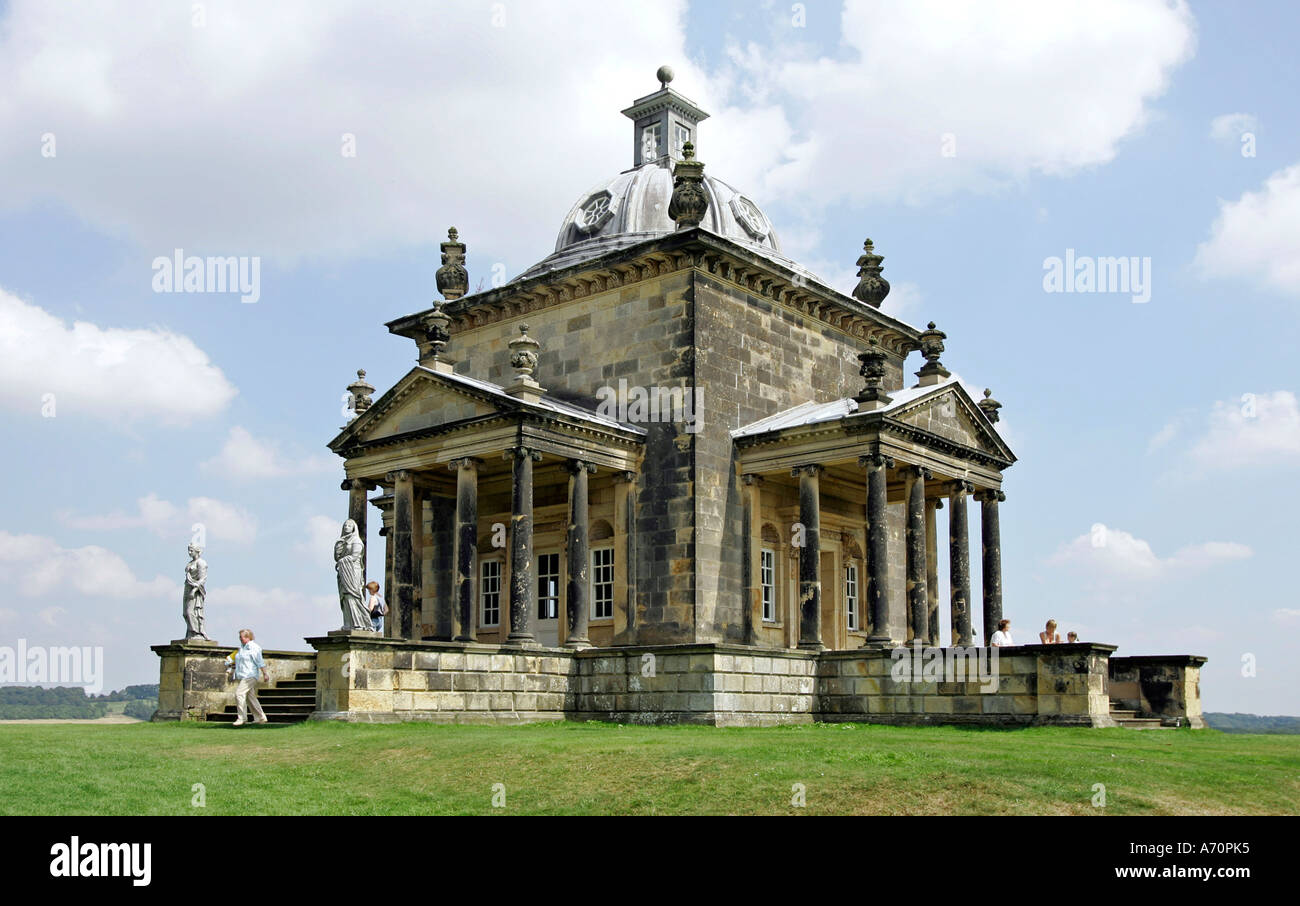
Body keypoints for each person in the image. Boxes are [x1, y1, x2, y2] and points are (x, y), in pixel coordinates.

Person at [228, 628, 269, 726]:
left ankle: (242, 718)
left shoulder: (254, 647)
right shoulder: (242, 648)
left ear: (248, 637)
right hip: (243, 675)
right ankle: (260, 717)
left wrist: (265, 673)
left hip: (250, 675)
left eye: (241, 637)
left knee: (239, 694)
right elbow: (239, 662)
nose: (240, 639)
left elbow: (260, 662)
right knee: (250, 697)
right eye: (240, 637)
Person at [335, 519, 371, 631]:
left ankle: (360, 623)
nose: (346, 527)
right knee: (344, 596)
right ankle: (348, 623)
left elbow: (355, 556)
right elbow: (337, 557)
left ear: (353, 528)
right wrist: (338, 548)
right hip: (343, 571)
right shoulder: (342, 541)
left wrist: (341, 561)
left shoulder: (356, 541)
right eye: (345, 525)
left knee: (353, 595)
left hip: (353, 571)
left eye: (349, 525)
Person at [182, 544, 212, 641]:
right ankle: (190, 632)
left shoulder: (201, 563)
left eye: (191, 551)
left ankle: (198, 633)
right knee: (185, 613)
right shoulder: (190, 563)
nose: (189, 553)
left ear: (197, 551)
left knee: (191, 612)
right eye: (189, 551)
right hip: (187, 588)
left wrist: (194, 591)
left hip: (195, 590)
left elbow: (202, 579)